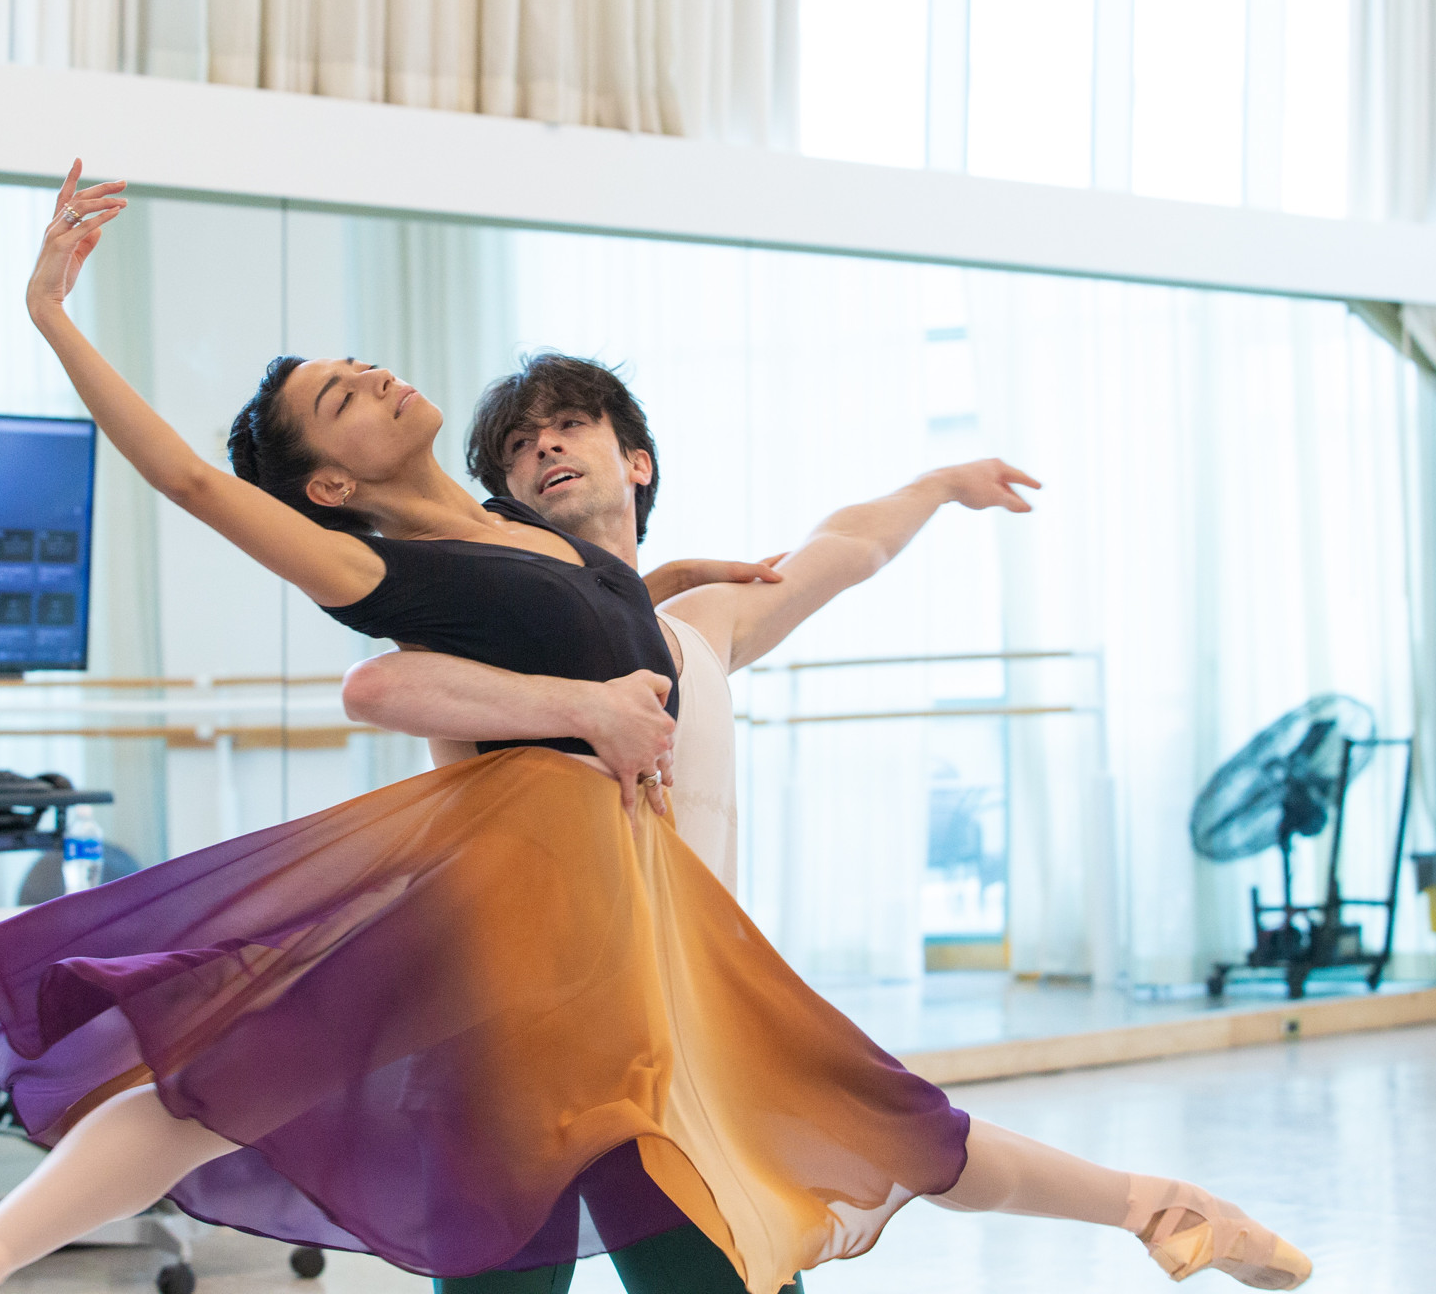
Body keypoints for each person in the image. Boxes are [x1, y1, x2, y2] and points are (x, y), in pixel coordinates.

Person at [0, 164, 1311, 1294]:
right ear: (328, 486)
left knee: (864, 1117)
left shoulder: (549, 547)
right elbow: (218, 508)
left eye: (361, 363)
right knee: (235, 1069)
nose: (378, 377)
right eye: (341, 398)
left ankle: (1160, 1209)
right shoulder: (389, 575)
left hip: (636, 939)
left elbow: (727, 571)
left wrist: (917, 489)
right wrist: (57, 320)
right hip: (518, 908)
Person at [339, 357, 1069, 1294]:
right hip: (513, 1052)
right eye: (518, 448)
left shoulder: (698, 628)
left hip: (679, 1044)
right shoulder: (481, 638)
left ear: (636, 463)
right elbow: (387, 682)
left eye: (567, 425)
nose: (544, 447)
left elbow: (842, 548)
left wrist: (935, 485)